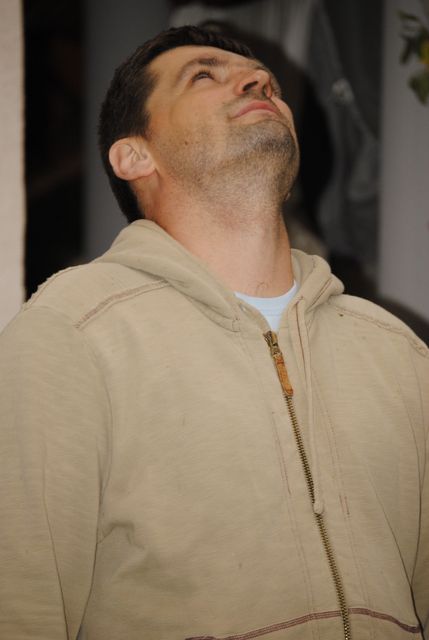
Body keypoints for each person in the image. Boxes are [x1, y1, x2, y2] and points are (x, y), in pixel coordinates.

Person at [0, 25, 428, 640]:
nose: (258, 81)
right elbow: (20, 607)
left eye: (266, 82)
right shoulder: (73, 333)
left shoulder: (395, 351)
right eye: (204, 75)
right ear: (134, 156)